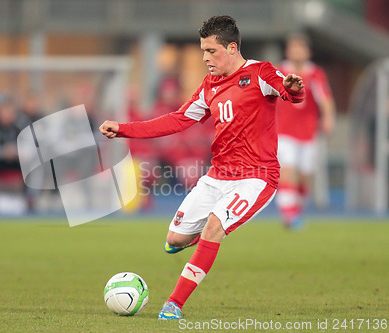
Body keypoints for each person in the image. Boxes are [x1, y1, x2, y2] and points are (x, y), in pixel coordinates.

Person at [99, 15, 305, 319]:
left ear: (232, 48)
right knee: (174, 240)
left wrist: (294, 88)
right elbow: (178, 120)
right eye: (203, 51)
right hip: (217, 175)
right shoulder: (210, 85)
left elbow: (289, 92)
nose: (206, 58)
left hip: (257, 177)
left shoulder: (260, 73)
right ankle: (205, 236)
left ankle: (174, 304)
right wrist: (125, 129)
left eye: (211, 51)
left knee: (213, 227)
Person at [275, 33, 335, 228]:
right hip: (283, 131)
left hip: (308, 133)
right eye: (293, 48)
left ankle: (297, 210)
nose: (297, 52)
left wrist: (328, 118)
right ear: (288, 51)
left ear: (308, 52)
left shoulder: (315, 73)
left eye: (300, 48)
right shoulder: (279, 71)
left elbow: (325, 99)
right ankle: (289, 215)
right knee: (288, 168)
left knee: (304, 176)